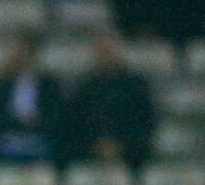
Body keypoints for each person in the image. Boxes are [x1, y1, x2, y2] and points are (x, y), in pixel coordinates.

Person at [64, 30, 156, 175]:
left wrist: (120, 145)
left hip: (130, 154)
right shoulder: (85, 87)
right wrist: (95, 145)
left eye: (109, 50)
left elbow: (145, 121)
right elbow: (75, 123)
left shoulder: (136, 85)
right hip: (89, 152)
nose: (105, 54)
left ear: (118, 51)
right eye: (101, 50)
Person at [0, 34, 64, 172]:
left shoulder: (49, 85)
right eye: (17, 50)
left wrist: (35, 122)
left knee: (62, 160)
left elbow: (56, 116)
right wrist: (16, 122)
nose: (20, 55)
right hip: (8, 139)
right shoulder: (0, 85)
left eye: (25, 51)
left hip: (40, 139)